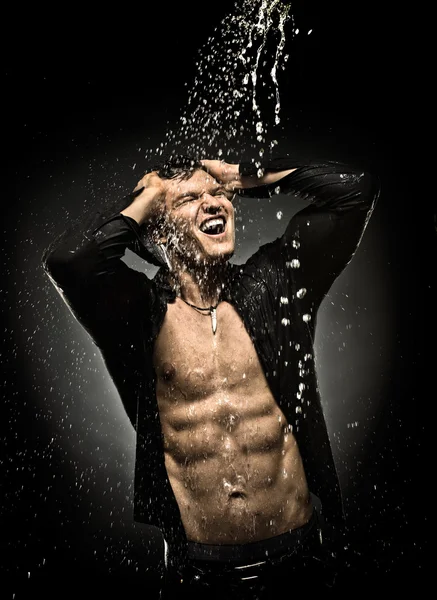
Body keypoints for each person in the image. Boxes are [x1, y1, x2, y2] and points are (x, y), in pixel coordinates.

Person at [42, 151, 380, 598]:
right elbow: (68, 260)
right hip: (200, 576)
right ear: (159, 232)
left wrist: (245, 178)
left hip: (300, 559)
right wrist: (150, 196)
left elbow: (355, 190)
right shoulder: (138, 314)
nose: (213, 202)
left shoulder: (275, 284)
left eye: (218, 194)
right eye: (189, 200)